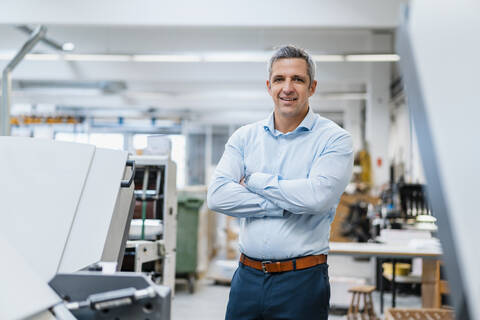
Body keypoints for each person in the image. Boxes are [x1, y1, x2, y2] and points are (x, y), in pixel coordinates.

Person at [207, 45, 353, 320]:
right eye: (279, 79)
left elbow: (316, 198)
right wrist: (286, 204)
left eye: (297, 79)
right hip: (246, 278)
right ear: (268, 86)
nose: (287, 87)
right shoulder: (244, 137)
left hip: (302, 282)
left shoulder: (334, 140)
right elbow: (217, 196)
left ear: (312, 87)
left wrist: (253, 180)